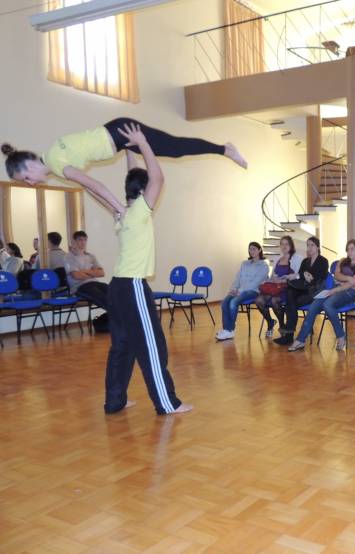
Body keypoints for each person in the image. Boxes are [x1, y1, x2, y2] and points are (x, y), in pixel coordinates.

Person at [99, 122, 191, 415]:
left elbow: (136, 178)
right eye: (148, 190)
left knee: (122, 346)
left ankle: (115, 401)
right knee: (153, 345)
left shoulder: (123, 213)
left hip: (117, 287)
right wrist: (142, 143)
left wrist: (129, 150)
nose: (154, 193)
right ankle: (167, 402)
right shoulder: (139, 211)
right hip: (133, 286)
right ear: (142, 192)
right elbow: (158, 177)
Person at [2, 118, 246, 213]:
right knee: (174, 148)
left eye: (26, 179)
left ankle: (225, 149)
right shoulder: (53, 154)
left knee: (175, 148)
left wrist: (120, 208)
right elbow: (89, 187)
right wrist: (115, 209)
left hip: (120, 134)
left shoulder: (58, 165)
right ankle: (224, 150)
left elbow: (95, 185)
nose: (31, 184)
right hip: (118, 136)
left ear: (29, 168)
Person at [288, 239, 355, 352]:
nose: (349, 252)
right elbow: (336, 275)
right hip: (335, 289)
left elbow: (353, 284)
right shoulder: (342, 260)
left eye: (352, 249)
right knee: (314, 305)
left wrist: (338, 287)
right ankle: (300, 340)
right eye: (348, 249)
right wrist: (347, 278)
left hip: (351, 292)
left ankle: (340, 336)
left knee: (327, 304)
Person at [274, 236, 329, 346]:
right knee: (290, 292)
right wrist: (304, 274)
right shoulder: (305, 261)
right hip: (303, 289)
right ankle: (289, 335)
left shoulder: (323, 261)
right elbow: (300, 275)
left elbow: (318, 278)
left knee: (291, 302)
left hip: (315, 291)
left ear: (318, 247)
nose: (310, 247)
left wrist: (306, 275)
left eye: (312, 245)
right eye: (308, 245)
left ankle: (289, 336)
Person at [215, 242, 270, 341]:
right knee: (224, 302)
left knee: (233, 302)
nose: (251, 251)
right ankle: (227, 329)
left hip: (253, 291)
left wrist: (240, 291)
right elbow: (238, 278)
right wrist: (233, 289)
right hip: (239, 290)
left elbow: (256, 283)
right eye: (250, 249)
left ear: (259, 250)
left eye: (254, 249)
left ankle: (230, 330)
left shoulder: (264, 265)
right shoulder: (245, 263)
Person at [255, 235, 303, 338]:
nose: (284, 246)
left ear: (291, 245)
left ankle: (282, 325)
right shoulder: (277, 258)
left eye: (287, 244)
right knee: (259, 300)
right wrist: (272, 279)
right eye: (282, 244)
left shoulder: (297, 258)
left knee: (274, 301)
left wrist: (284, 279)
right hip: (275, 287)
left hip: (288, 288)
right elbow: (272, 275)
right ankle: (270, 322)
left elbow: (299, 276)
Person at [64, 230, 109, 310]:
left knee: (115, 293)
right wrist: (93, 273)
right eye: (80, 240)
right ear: (74, 241)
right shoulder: (69, 257)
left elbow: (101, 273)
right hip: (80, 286)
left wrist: (84, 271)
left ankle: (114, 316)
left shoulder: (91, 256)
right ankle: (115, 316)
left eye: (85, 240)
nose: (83, 242)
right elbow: (76, 276)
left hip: (95, 283)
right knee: (103, 298)